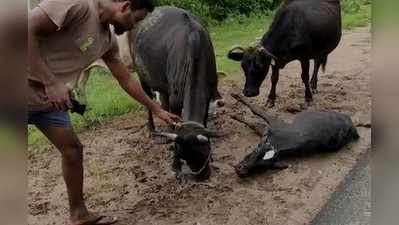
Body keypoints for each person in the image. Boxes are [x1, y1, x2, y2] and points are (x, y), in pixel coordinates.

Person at [28, 0, 180, 224]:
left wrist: (156, 108)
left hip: (45, 101)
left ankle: (79, 214)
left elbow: (125, 78)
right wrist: (51, 82)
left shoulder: (107, 40)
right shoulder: (77, 5)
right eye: (136, 20)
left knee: (72, 150)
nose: (133, 27)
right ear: (125, 6)